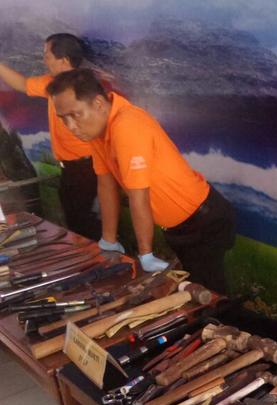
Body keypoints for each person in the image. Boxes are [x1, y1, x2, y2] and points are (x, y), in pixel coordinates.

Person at [46, 68, 236, 292]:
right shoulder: (97, 133)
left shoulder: (127, 126)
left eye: (75, 115)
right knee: (195, 289)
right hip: (177, 227)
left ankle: (226, 325)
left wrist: (145, 253)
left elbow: (139, 195)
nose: (70, 127)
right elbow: (106, 184)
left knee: (210, 294)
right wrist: (108, 240)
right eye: (63, 119)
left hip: (203, 221)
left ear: (98, 103)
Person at [0, 33, 101, 240]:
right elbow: (22, 84)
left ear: (63, 60)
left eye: (47, 55)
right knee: (77, 221)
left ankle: (104, 262)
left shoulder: (82, 87)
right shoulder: (54, 84)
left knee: (87, 223)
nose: (44, 60)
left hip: (88, 168)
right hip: (71, 169)